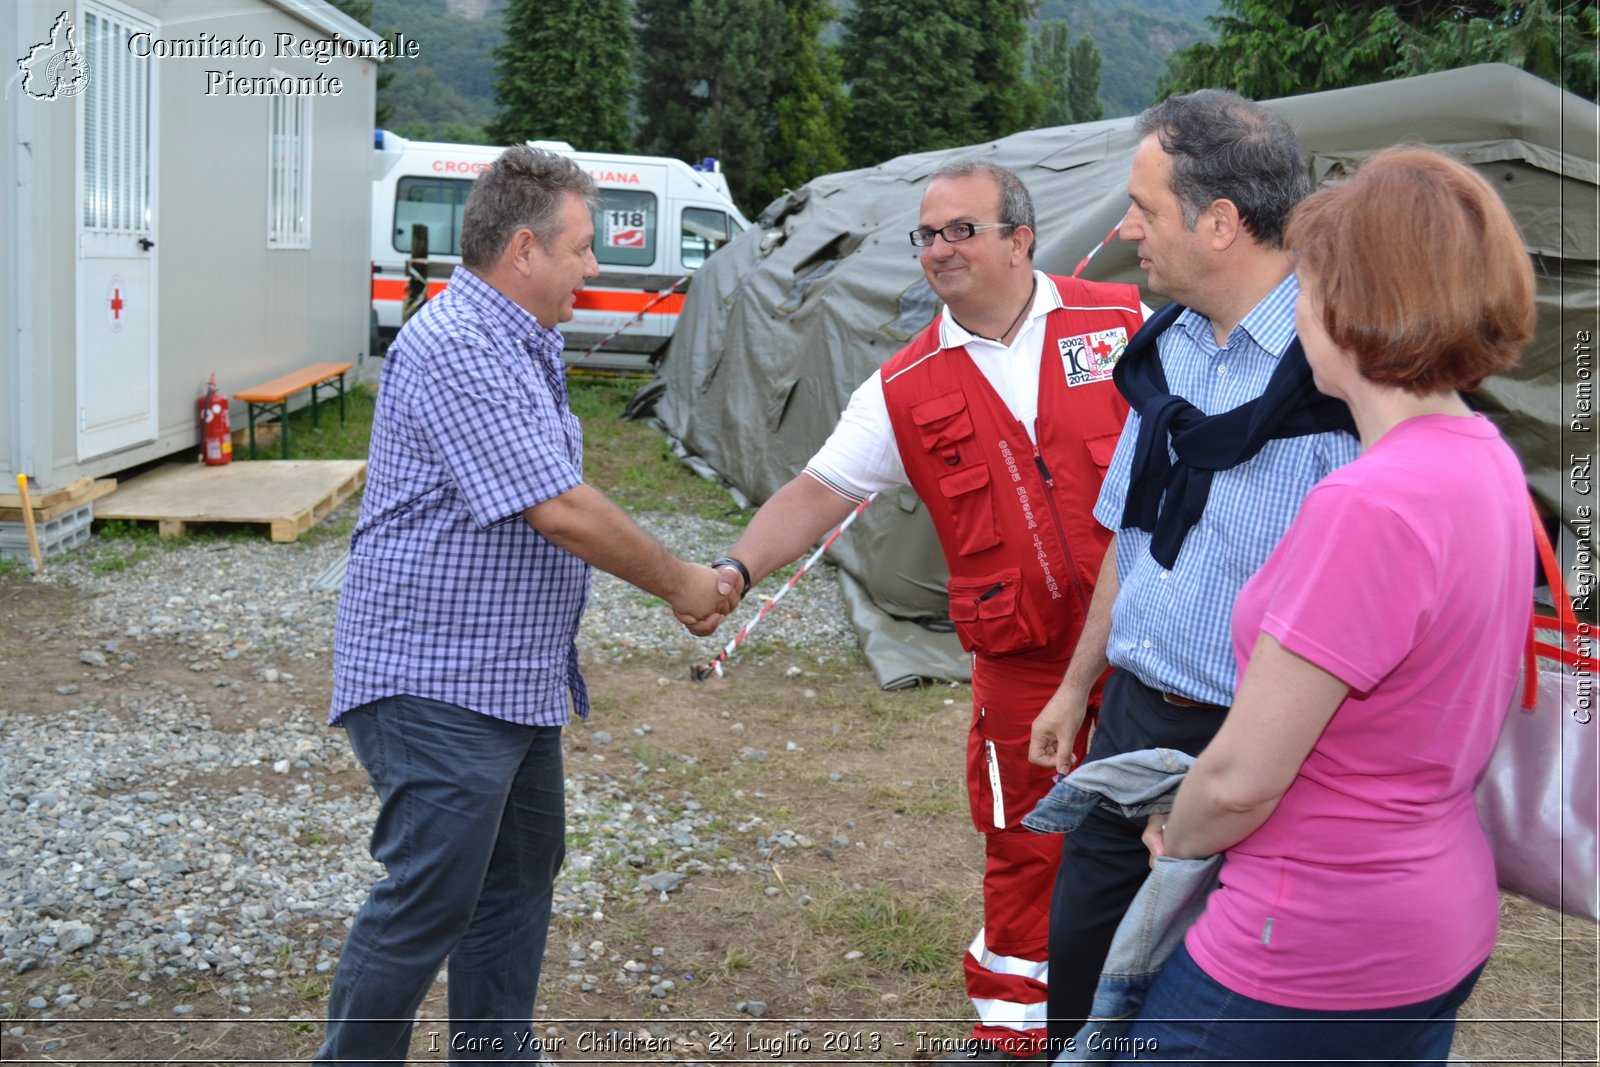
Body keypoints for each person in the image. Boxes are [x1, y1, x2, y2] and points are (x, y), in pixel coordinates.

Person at [706, 161, 1145, 1061]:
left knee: (1163, 827)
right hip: (1021, 659)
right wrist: (734, 569)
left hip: (1145, 644)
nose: (938, 249)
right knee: (1027, 840)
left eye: (960, 230)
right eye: (927, 234)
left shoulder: (1122, 321)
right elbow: (820, 488)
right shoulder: (906, 387)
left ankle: (1146, 1026)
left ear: (1020, 239)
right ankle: (1019, 1037)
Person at [315, 145, 738, 1064]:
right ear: (522, 251)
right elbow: (561, 507)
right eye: (583, 248)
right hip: (435, 678)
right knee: (429, 895)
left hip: (506, 678)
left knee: (513, 880)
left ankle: (496, 1054)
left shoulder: (518, 337)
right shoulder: (461, 343)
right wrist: (684, 582)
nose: (596, 266)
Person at [1118, 146, 1537, 1062]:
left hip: (1306, 943)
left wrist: (1178, 836)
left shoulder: (1371, 502)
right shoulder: (1487, 461)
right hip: (1434, 921)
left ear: (1351, 304)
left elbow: (1241, 779)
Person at [1026, 89, 1362, 1050]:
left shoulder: (1336, 371)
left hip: (1259, 755)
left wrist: (1236, 784)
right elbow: (1135, 539)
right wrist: (1077, 688)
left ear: (1219, 223)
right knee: (1079, 985)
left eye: (1144, 207)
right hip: (1131, 722)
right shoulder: (1168, 347)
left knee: (1198, 1023)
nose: (1127, 230)